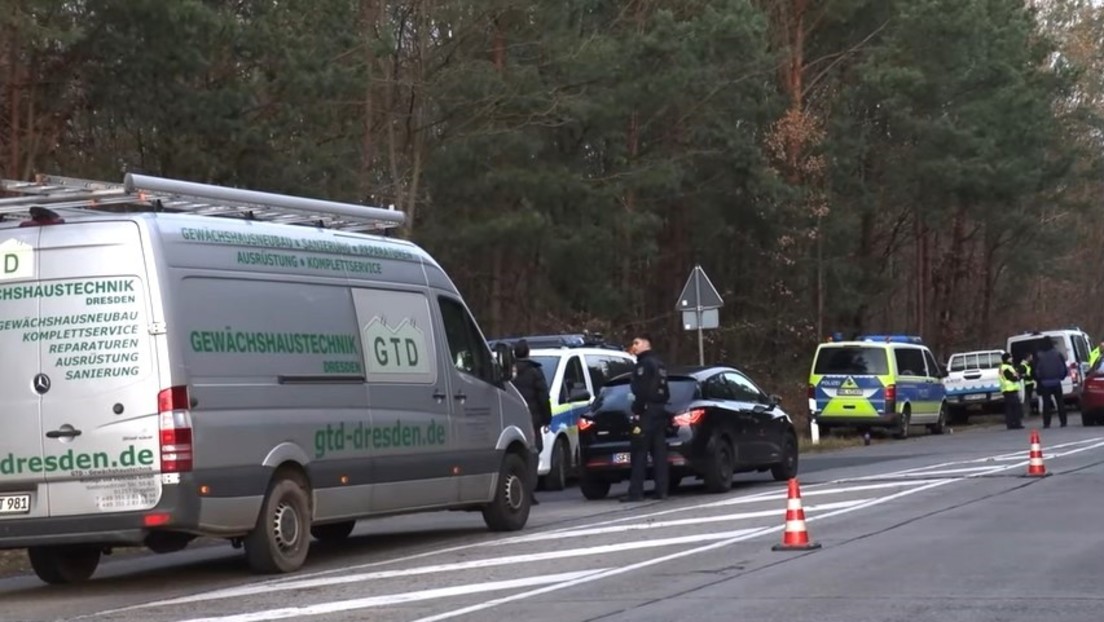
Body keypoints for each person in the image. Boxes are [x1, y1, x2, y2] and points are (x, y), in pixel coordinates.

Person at [624, 333, 670, 503]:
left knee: (639, 451)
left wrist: (637, 409)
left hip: (646, 412)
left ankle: (635, 492)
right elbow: (665, 391)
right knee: (659, 453)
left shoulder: (644, 365)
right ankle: (662, 490)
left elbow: (641, 390)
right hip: (659, 410)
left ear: (646, 344)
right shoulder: (660, 364)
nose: (633, 346)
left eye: (636, 343)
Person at [510, 340, 552, 506]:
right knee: (532, 454)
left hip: (512, 420)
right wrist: (547, 419)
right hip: (531, 421)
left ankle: (517, 490)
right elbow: (543, 398)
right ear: (528, 352)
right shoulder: (534, 372)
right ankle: (529, 493)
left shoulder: (507, 372)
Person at [1034, 339, 1069, 428]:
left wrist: (1040, 379)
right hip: (1056, 382)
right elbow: (1063, 368)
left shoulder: (1039, 355)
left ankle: (1046, 423)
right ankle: (1063, 421)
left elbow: (1037, 370)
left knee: (1046, 404)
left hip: (1045, 383)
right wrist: (1061, 377)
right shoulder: (1057, 354)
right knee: (1060, 402)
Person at [999, 353, 1024, 430]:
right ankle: (1016, 423)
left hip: (1008, 390)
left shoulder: (1005, 367)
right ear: (1007, 359)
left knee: (1010, 408)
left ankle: (1011, 424)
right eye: (1010, 357)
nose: (1012, 358)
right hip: (1010, 389)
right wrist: (1018, 377)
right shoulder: (1006, 367)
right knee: (1014, 408)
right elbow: (1011, 378)